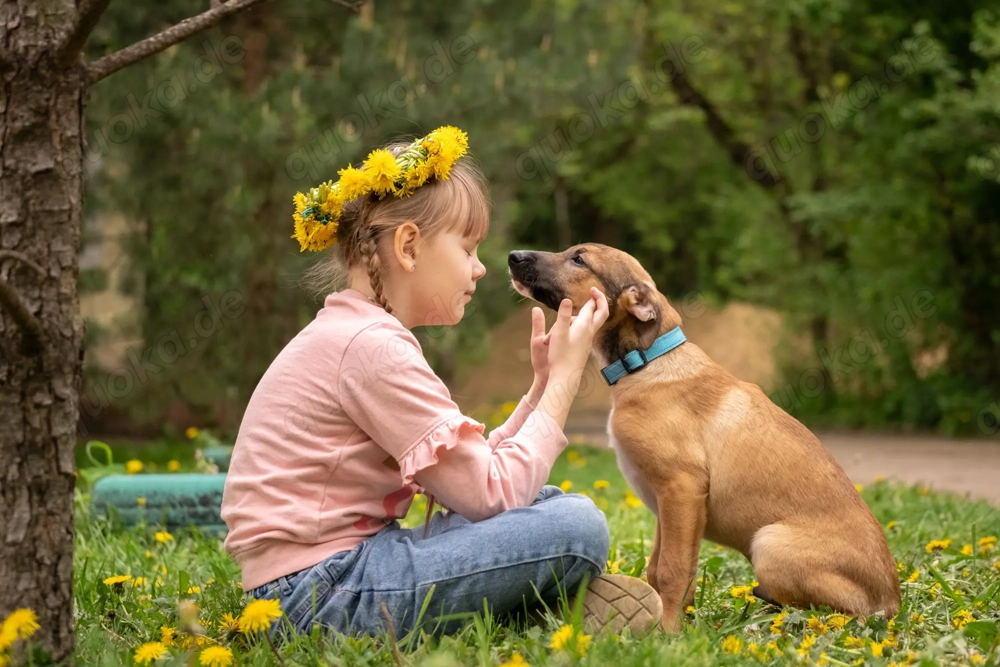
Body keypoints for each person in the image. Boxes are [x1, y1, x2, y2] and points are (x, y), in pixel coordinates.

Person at [220, 126, 661, 639]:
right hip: (319, 594)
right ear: (409, 246)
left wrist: (540, 387)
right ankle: (537, 605)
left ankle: (525, 604)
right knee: (576, 529)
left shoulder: (359, 335)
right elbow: (489, 494)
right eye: (468, 248)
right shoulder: (373, 347)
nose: (479, 269)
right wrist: (566, 378)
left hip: (318, 581)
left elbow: (469, 479)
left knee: (546, 502)